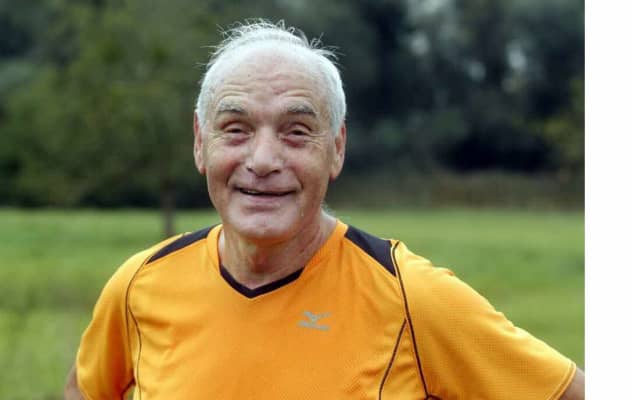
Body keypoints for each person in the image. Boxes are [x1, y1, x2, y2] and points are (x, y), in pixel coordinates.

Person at [64, 20, 584, 399]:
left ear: (336, 148)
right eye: (236, 129)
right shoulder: (139, 284)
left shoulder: (413, 298)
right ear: (201, 143)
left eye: (296, 132)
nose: (263, 160)